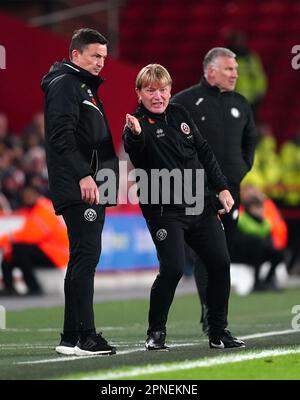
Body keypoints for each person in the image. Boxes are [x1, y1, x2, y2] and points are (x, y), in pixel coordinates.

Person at [123, 63, 245, 349]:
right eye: (151, 90)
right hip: (165, 211)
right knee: (174, 268)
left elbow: (204, 152)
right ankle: (156, 333)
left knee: (220, 264)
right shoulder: (135, 125)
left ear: (170, 90)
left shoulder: (180, 114)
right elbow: (137, 153)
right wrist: (137, 135)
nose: (158, 96)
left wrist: (223, 188)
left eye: (163, 90)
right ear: (139, 93)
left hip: (200, 205)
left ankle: (218, 332)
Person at [41, 28, 118, 356]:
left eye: (103, 56)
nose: (101, 62)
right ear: (76, 55)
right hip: (80, 186)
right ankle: (87, 336)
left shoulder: (81, 86)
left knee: (81, 258)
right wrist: (85, 176)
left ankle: (71, 337)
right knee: (86, 258)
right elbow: (61, 137)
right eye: (94, 55)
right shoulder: (66, 85)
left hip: (89, 185)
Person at [172, 47, 257, 333]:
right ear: (211, 71)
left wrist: (240, 170)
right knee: (207, 254)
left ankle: (215, 315)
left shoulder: (242, 104)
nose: (235, 74)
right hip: (198, 192)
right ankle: (211, 314)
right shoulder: (184, 102)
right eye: (229, 69)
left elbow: (250, 141)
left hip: (231, 192)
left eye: (235, 69)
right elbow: (169, 144)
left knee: (223, 256)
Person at [0, 185, 69, 296]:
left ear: (37, 194)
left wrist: (4, 241)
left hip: (58, 253)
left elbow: (32, 235)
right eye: (25, 195)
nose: (27, 197)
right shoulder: (33, 209)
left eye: (30, 195)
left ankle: (34, 288)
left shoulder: (44, 209)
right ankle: (9, 288)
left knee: (20, 249)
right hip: (47, 250)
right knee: (11, 253)